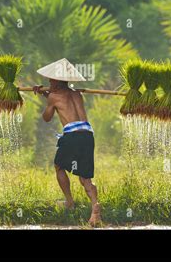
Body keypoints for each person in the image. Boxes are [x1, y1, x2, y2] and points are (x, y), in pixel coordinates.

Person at [33, 58, 101, 226]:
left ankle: (69, 202)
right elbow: (63, 99)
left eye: (51, 79)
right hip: (87, 134)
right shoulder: (77, 93)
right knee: (85, 177)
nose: (49, 81)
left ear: (58, 80)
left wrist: (47, 99)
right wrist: (47, 94)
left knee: (58, 166)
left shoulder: (54, 97)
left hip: (72, 135)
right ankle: (94, 207)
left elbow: (47, 118)